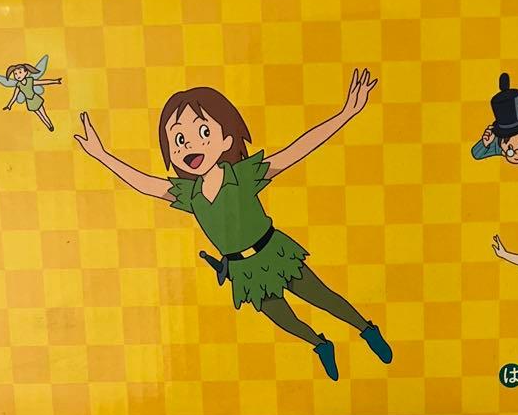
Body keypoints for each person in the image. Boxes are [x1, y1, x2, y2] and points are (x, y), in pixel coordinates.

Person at [74, 70, 390, 381]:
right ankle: (320, 344)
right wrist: (101, 155)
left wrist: (346, 113)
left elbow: (295, 151)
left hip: (274, 253)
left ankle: (366, 329)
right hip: (243, 270)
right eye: (179, 140)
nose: (190, 146)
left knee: (322, 297)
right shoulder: (189, 194)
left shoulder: (243, 175)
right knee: (284, 319)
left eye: (203, 132)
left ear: (226, 139)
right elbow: (145, 184)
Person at [0, 57, 61, 131]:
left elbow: (42, 82)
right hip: (30, 102)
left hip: (36, 99)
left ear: (26, 72)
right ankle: (48, 126)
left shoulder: (30, 81)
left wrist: (55, 81)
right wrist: (9, 105)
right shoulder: (18, 85)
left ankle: (50, 124)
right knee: (40, 115)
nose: (17, 75)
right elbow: (14, 96)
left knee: (44, 114)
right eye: (15, 74)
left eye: (20, 72)